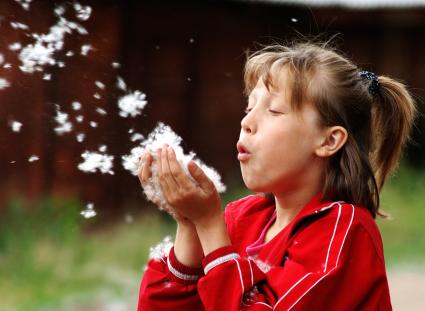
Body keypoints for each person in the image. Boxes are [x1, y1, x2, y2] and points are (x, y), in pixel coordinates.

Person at [136, 40, 416, 310]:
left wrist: (208, 226)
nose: (246, 122)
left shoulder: (344, 232)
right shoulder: (240, 219)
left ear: (328, 141)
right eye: (249, 108)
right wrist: (189, 225)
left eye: (273, 110)